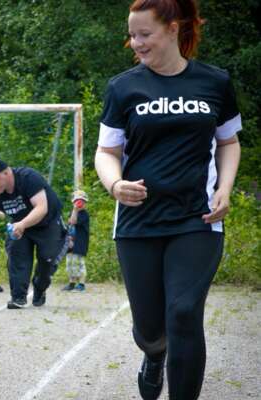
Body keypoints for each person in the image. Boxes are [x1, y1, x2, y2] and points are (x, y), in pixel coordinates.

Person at [94, 1, 242, 399]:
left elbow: (228, 142)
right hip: (138, 222)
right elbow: (106, 152)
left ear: (173, 29)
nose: (135, 43)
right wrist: (115, 185)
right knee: (150, 328)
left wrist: (225, 187)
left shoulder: (214, 82)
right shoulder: (123, 87)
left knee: (184, 313)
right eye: (132, 35)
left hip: (198, 218)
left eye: (144, 34)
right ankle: (154, 353)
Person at [0, 158, 68, 309]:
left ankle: (39, 288)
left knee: (47, 261)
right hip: (20, 226)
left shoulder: (28, 178)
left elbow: (41, 208)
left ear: (7, 172)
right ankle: (18, 297)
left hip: (47, 224)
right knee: (16, 255)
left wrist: (23, 223)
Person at [62, 190, 90, 292]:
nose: (79, 203)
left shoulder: (84, 214)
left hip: (79, 244)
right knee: (70, 264)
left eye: (82, 201)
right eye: (77, 201)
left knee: (79, 263)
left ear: (85, 203)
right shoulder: (72, 213)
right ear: (73, 202)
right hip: (71, 243)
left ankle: (81, 284)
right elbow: (70, 224)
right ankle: (72, 283)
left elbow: (74, 221)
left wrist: (76, 210)